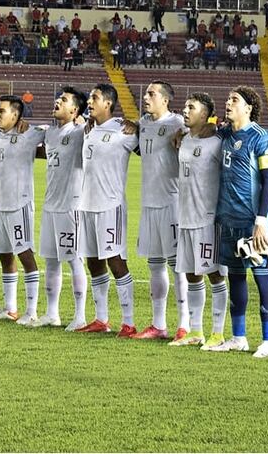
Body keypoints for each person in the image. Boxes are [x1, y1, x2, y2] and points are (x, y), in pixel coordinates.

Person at [204, 87, 268, 358]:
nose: (228, 103)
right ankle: (239, 338)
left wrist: (261, 220)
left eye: (234, 100)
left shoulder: (261, 138)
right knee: (236, 276)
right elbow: (203, 128)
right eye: (227, 99)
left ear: (248, 108)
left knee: (261, 275)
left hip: (252, 221)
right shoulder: (224, 133)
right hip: (228, 218)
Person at [75, 84, 139, 335]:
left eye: (95, 98)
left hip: (110, 205)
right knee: (93, 261)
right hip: (87, 205)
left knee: (115, 260)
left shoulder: (124, 130)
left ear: (108, 103)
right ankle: (101, 319)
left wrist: (139, 126)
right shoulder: (88, 129)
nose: (90, 101)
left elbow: (148, 146)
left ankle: (129, 322)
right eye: (90, 97)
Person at [169, 93, 229, 348]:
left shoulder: (217, 142)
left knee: (214, 274)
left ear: (204, 115)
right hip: (184, 218)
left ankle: (218, 333)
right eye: (185, 106)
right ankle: (196, 331)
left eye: (191, 107)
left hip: (208, 220)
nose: (185, 110)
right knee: (192, 274)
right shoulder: (183, 139)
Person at [133, 82, 189, 341]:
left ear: (165, 100)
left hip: (171, 203)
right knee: (154, 265)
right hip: (149, 204)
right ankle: (158, 324)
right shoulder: (143, 123)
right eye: (146, 93)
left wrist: (186, 135)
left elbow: (201, 132)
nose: (146, 97)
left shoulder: (178, 122)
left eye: (151, 94)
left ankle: (185, 324)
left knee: (178, 267)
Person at [37, 87, 89, 330]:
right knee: (51, 260)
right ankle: (52, 313)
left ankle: (80, 317)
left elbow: (98, 127)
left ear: (75, 110)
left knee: (74, 259)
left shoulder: (80, 132)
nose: (58, 101)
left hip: (71, 205)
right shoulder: (50, 134)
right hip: (50, 205)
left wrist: (86, 121)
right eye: (58, 98)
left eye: (64, 100)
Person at [0, 96, 47, 323]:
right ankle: (10, 308)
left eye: (1, 111)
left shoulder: (28, 134)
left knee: (25, 254)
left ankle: (31, 311)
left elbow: (50, 130)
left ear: (15, 116)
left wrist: (34, 127)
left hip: (20, 205)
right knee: (5, 255)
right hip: (1, 204)